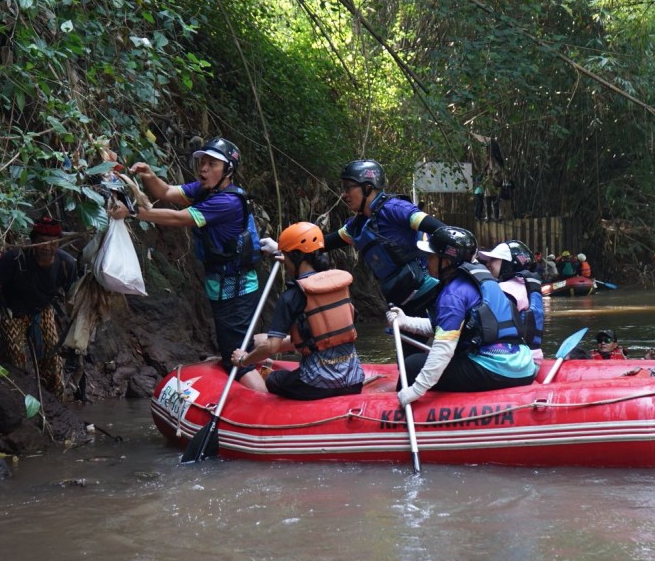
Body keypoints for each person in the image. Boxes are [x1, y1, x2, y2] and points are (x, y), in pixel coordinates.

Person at [108, 137, 265, 389]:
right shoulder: (205, 190)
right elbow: (167, 193)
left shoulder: (227, 202)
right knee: (232, 351)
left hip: (237, 291)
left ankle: (263, 411)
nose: (203, 168)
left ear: (228, 170)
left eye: (211, 164)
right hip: (221, 286)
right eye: (202, 162)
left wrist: (133, 211)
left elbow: (179, 218)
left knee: (239, 360)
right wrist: (149, 176)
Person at [386, 227, 537, 406]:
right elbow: (445, 327)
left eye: (432, 257)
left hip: (496, 370)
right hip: (523, 367)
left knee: (412, 364)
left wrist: (416, 390)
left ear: (447, 261)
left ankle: (392, 412)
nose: (427, 262)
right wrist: (405, 321)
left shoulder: (453, 293)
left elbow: (443, 348)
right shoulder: (481, 281)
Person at [297, 160, 445, 323]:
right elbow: (322, 244)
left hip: (430, 295)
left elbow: (440, 229)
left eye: (348, 187)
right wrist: (285, 248)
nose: (344, 194)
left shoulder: (395, 208)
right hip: (401, 302)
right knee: (412, 349)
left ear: (367, 188)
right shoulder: (356, 225)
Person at [229, 223, 364, 400]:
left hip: (316, 385)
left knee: (275, 379)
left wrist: (243, 360)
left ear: (294, 256)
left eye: (286, 255)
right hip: (354, 382)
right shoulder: (339, 286)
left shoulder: (292, 296)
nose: (284, 261)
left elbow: (272, 347)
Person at [0, 216, 77, 398]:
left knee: (53, 360)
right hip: (12, 311)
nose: (47, 247)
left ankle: (54, 402)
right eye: (41, 242)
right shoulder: (15, 258)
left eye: (52, 242)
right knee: (16, 361)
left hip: (42, 309)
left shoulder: (66, 264)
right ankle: (17, 398)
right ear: (33, 242)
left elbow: (73, 296)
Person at [476, 240, 545, 360]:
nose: (487, 264)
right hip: (533, 356)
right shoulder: (528, 286)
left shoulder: (506, 289)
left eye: (493, 260)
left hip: (514, 360)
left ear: (509, 263)